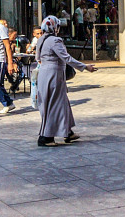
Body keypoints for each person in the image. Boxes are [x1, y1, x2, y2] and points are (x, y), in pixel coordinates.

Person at [33, 15, 96, 146]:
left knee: (60, 102)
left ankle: (67, 132)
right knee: (55, 104)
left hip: (44, 74)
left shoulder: (40, 40)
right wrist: (85, 66)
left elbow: (38, 58)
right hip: (54, 74)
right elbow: (67, 58)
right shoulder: (56, 41)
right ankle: (46, 137)